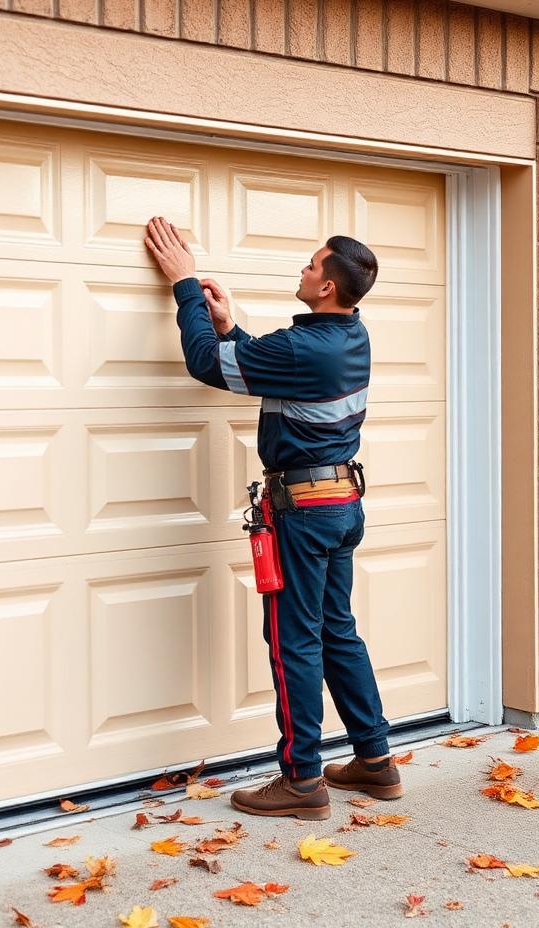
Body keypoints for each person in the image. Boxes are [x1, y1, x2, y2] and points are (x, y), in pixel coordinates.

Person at [143, 215, 402, 821]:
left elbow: (207, 366)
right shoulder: (349, 336)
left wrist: (183, 283)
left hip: (304, 516)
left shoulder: (303, 346)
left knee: (293, 642)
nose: (304, 270)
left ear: (328, 287)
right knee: (337, 630)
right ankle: (375, 759)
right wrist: (232, 327)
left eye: (312, 265)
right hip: (341, 506)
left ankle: (302, 780)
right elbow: (273, 363)